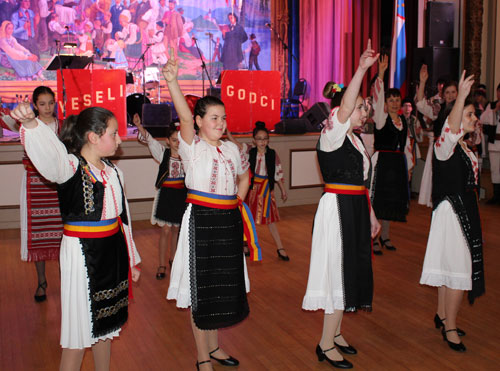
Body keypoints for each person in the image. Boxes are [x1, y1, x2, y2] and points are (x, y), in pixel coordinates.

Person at [11, 104, 141, 370]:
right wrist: (32, 125)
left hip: (112, 253)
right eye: (114, 133)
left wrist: (132, 259)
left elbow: (123, 219)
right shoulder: (70, 167)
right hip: (83, 255)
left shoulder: (114, 171)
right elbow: (51, 157)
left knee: (107, 325)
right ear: (93, 136)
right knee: (79, 333)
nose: (119, 139)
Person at [163, 56, 259, 371]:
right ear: (200, 121)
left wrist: (238, 202)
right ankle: (202, 357)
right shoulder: (192, 147)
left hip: (227, 221)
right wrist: (173, 82)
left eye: (223, 118)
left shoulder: (232, 149)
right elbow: (183, 117)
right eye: (214, 118)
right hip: (200, 222)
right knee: (200, 289)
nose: (220, 124)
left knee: (218, 286)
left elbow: (245, 177)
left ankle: (215, 348)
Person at [302, 40, 381, 369]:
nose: (365, 111)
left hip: (356, 207)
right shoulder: (333, 133)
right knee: (338, 272)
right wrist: (362, 69)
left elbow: (362, 185)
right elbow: (346, 109)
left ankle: (335, 334)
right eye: (362, 107)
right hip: (336, 210)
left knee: (349, 269)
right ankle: (324, 343)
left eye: (364, 107)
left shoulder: (355, 140)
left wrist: (372, 215)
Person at [419, 71, 484, 352]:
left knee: (451, 269)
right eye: (470, 115)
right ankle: (450, 327)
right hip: (452, 213)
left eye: (473, 115)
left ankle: (444, 316)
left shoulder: (464, 148)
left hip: (463, 210)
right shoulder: (444, 146)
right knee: (459, 270)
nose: (473, 119)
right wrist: (462, 101)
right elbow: (450, 127)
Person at [11, 87, 63, 302]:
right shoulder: (28, 126)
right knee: (38, 234)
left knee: (63, 235)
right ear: (34, 105)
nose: (47, 108)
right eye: (42, 104)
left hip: (59, 184)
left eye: (51, 103)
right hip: (35, 184)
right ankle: (41, 282)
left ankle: (65, 281)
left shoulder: (63, 126)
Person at [226, 122, 290, 260]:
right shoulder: (250, 151)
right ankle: (244, 244)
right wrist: (228, 132)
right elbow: (236, 144)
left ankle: (280, 247)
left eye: (265, 138)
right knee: (246, 217)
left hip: (266, 189)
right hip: (252, 189)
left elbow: (277, 173)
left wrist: (283, 190)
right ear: (254, 140)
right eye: (259, 139)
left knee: (270, 220)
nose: (262, 141)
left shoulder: (272, 154)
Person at [134, 114, 187, 279]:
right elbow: (150, 140)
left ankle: (173, 259)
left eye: (179, 140)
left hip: (181, 195)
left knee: (177, 229)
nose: (177, 143)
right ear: (167, 141)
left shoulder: (187, 157)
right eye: (173, 140)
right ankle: (161, 264)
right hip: (166, 195)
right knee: (165, 229)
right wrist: (139, 126)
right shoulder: (163, 153)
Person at [371, 54, 413, 254]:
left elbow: (406, 145)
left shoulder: (403, 122)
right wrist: (381, 72)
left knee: (390, 201)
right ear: (386, 103)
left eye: (398, 100)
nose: (395, 103)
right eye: (392, 100)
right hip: (383, 163)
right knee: (379, 200)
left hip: (397, 164)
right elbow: (377, 102)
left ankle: (386, 235)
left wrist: (409, 167)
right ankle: (375, 237)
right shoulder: (381, 119)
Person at [416, 64, 459, 208]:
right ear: (443, 94)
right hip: (440, 152)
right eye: (447, 92)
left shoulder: (465, 110)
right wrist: (422, 82)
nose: (451, 95)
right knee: (439, 189)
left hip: (457, 154)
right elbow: (421, 105)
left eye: (453, 92)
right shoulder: (438, 109)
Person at [480, 83, 500, 204]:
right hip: (494, 143)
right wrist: (495, 110)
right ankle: (496, 196)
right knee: (495, 170)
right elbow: (482, 119)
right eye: (499, 91)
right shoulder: (491, 105)